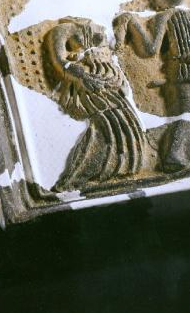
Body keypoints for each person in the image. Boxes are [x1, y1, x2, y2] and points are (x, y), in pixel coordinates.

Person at [44, 17, 145, 191]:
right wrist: (82, 76)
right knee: (106, 123)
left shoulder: (99, 27)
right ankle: (88, 172)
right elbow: (59, 61)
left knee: (128, 121)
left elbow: (109, 55)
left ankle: (126, 166)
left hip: (110, 78)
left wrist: (120, 77)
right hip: (87, 80)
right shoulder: (64, 28)